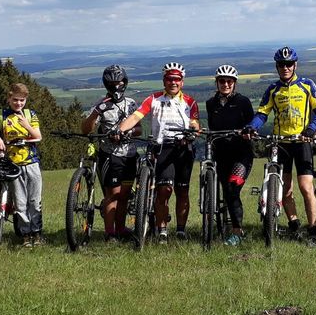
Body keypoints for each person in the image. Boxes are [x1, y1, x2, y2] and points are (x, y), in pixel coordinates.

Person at [244, 46, 316, 247]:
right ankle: (294, 224)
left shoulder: (307, 85)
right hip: (281, 144)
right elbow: (262, 114)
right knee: (286, 190)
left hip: (302, 142)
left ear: (295, 65)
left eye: (289, 64)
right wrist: (251, 126)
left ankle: (314, 230)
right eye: (281, 64)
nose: (285, 67)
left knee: (306, 188)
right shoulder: (273, 89)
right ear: (277, 66)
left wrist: (311, 129)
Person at [114, 62, 200, 244]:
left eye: (177, 79)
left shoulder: (190, 102)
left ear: (182, 82)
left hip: (184, 148)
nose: (173, 82)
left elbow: (195, 122)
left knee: (183, 191)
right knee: (164, 190)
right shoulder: (153, 99)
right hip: (162, 148)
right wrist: (120, 130)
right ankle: (162, 231)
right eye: (170, 79)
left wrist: (194, 130)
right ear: (164, 81)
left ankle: (181, 230)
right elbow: (136, 116)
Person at [81, 65, 140, 242]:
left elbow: (138, 129)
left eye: (119, 83)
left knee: (125, 194)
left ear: (125, 83)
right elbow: (86, 129)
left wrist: (127, 132)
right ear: (107, 84)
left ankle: (121, 229)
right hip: (109, 155)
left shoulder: (131, 104)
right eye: (112, 83)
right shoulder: (101, 104)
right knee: (112, 194)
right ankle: (110, 232)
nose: (116, 87)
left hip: (130, 154)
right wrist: (97, 112)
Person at [0, 83, 44, 247]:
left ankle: (37, 233)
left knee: (34, 200)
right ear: (9, 98)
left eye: (22, 100)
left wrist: (26, 125)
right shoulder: (1, 115)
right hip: (12, 164)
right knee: (20, 202)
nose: (18, 103)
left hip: (31, 162)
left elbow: (38, 136)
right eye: (15, 100)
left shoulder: (30, 114)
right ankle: (25, 235)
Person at [205, 65, 255, 246]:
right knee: (226, 191)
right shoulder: (211, 103)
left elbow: (252, 125)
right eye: (222, 81)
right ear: (217, 82)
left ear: (234, 83)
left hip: (241, 154)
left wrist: (248, 132)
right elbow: (212, 127)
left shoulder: (243, 102)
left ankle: (237, 232)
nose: (225, 84)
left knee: (233, 188)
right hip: (221, 154)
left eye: (229, 81)